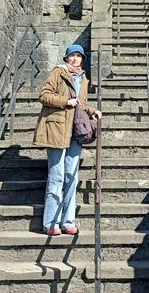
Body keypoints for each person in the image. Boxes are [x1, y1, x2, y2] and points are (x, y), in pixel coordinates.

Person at [33, 44, 102, 236]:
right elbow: (44, 95)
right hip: (57, 129)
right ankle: (51, 222)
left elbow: (82, 104)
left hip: (75, 131)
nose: (75, 59)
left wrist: (92, 111)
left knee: (72, 177)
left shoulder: (83, 78)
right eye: (72, 55)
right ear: (66, 58)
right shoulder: (58, 72)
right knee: (57, 176)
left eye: (79, 56)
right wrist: (65, 102)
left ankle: (68, 221)